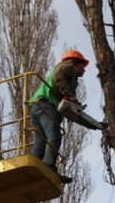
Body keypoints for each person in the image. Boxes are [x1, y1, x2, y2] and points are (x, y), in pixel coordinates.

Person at [29, 49, 89, 184]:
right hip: (47, 104)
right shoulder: (67, 68)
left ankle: (34, 166)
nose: (83, 70)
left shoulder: (71, 76)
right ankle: (48, 167)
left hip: (36, 105)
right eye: (82, 66)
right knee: (54, 135)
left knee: (41, 139)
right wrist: (69, 95)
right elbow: (59, 76)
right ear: (75, 63)